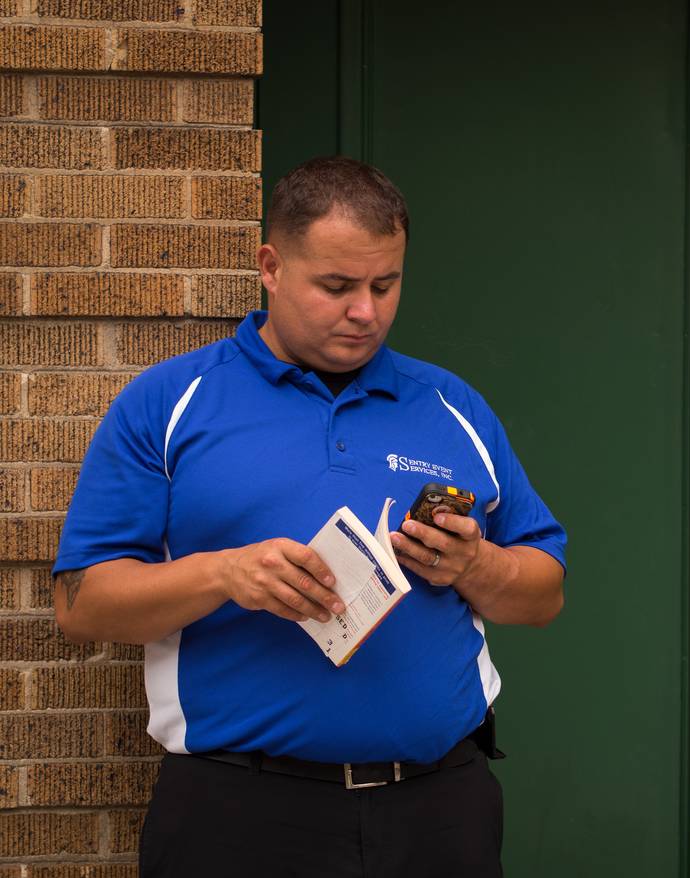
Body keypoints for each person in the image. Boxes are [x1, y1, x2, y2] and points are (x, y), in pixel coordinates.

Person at [52, 156, 567, 877]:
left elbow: (545, 594)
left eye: (386, 285)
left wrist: (478, 565)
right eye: (337, 286)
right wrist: (225, 573)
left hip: (438, 809)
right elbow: (81, 608)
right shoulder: (169, 403)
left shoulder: (452, 407)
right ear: (270, 266)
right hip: (238, 813)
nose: (367, 311)